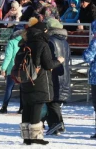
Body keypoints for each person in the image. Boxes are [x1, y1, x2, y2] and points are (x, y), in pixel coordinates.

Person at [18, 18, 63, 146]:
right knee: (37, 108)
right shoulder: (43, 44)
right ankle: (36, 137)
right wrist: (59, 61)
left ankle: (27, 138)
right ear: (43, 31)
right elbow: (48, 64)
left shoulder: (24, 42)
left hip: (26, 79)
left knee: (27, 108)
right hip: (39, 81)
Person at [45, 18, 71, 135]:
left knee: (51, 101)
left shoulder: (50, 41)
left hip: (53, 74)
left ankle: (55, 125)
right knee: (55, 102)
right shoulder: (65, 42)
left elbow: (48, 59)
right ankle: (59, 125)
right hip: (64, 74)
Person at [0, 26, 23, 114]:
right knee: (22, 90)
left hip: (12, 69)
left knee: (9, 88)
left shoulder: (11, 42)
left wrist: (3, 68)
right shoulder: (25, 42)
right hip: (22, 69)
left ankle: (4, 107)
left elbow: (8, 57)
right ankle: (22, 108)